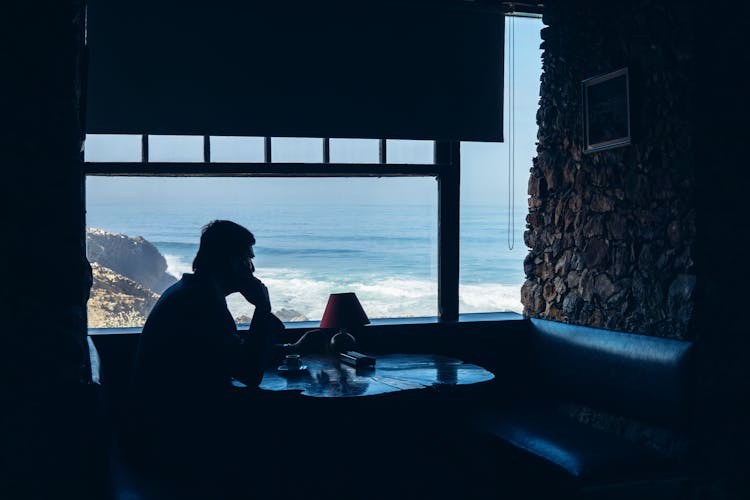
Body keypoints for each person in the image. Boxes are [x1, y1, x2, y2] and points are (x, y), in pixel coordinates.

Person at [128, 220, 322, 495]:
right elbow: (249, 373)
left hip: (165, 423)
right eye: (246, 260)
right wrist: (262, 308)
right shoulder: (201, 302)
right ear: (229, 261)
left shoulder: (193, 292)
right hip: (174, 436)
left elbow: (230, 353)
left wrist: (292, 349)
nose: (251, 269)